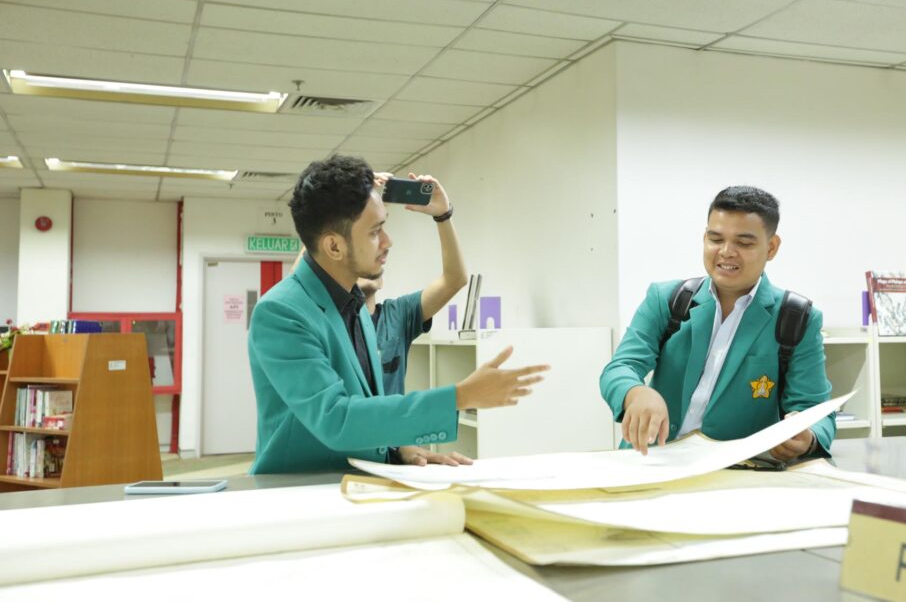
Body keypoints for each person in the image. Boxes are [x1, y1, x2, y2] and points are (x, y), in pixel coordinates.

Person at [248, 155, 547, 473]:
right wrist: (460, 396)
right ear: (334, 247)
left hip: (360, 483)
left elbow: (365, 404)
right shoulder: (281, 314)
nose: (388, 242)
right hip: (299, 496)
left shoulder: (354, 306)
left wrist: (399, 449)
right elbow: (337, 419)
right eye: (375, 231)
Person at [599, 186, 835, 461]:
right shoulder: (667, 300)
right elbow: (620, 367)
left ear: (771, 247)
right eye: (715, 239)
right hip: (649, 461)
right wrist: (634, 392)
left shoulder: (796, 318)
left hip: (730, 475)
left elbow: (814, 409)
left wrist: (808, 438)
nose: (726, 252)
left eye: (744, 243)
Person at [291, 171, 467, 396]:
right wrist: (339, 211)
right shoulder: (329, 318)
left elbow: (455, 279)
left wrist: (443, 216)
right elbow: (299, 281)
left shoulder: (399, 314)